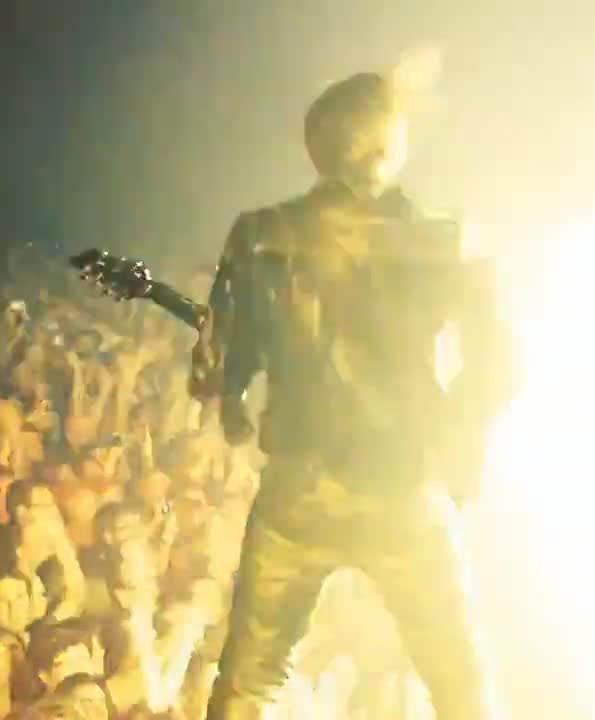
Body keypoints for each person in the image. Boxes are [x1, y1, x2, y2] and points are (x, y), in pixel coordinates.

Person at [193, 70, 514, 720]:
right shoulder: (446, 239)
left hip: (297, 488)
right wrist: (455, 435)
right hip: (402, 486)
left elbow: (215, 368)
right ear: (383, 144)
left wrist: (236, 407)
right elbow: (500, 366)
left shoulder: (261, 233)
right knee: (459, 680)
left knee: (250, 679)